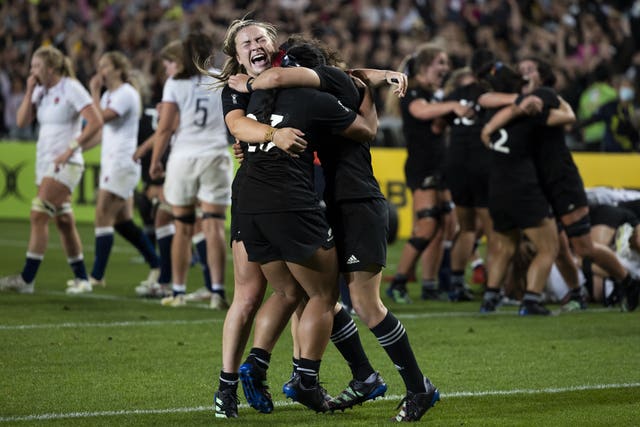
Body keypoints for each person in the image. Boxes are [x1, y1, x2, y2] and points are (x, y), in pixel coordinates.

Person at [229, 39, 440, 421]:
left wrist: (246, 83)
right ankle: (361, 375)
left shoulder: (326, 85)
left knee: (364, 303)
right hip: (330, 204)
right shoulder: (324, 92)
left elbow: (365, 128)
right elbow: (357, 81)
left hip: (358, 203)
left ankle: (418, 387)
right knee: (322, 294)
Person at [0, 46, 103, 294]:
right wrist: (27, 92)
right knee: (64, 221)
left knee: (38, 214)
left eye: (37, 66)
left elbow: (96, 121)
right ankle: (82, 279)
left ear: (51, 68)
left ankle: (26, 279)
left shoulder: (71, 87)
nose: (32, 71)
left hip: (65, 162)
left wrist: (71, 149)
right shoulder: (40, 91)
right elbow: (21, 121)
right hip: (44, 162)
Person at [478, 62, 575, 315]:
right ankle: (531, 300)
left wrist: (488, 129)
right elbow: (566, 118)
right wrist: (562, 103)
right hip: (523, 186)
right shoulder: (529, 109)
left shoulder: (491, 110)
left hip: (497, 186)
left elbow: (488, 101)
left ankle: (490, 299)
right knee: (549, 247)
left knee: (505, 246)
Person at [148, 32, 231, 310]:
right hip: (216, 155)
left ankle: (178, 291)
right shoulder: (221, 78)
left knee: (182, 227)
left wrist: (155, 160)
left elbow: (165, 127)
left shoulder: (175, 83)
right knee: (214, 227)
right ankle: (217, 291)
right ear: (210, 54)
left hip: (184, 157)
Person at [385, 43, 468, 303]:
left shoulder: (436, 95)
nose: (445, 68)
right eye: (440, 63)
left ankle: (430, 284)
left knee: (446, 225)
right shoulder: (414, 91)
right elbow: (418, 111)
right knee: (427, 224)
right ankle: (398, 282)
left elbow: (435, 124)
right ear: (424, 66)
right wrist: (453, 106)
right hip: (422, 167)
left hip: (440, 166)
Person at [78, 51, 161, 294]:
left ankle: (96, 276)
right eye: (99, 65)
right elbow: (102, 133)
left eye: (105, 65)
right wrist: (78, 149)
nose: (100, 70)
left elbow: (99, 120)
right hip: (114, 162)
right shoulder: (109, 96)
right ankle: (156, 264)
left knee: (102, 214)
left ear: (118, 69)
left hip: (122, 163)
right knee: (123, 222)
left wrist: (93, 92)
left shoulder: (125, 93)